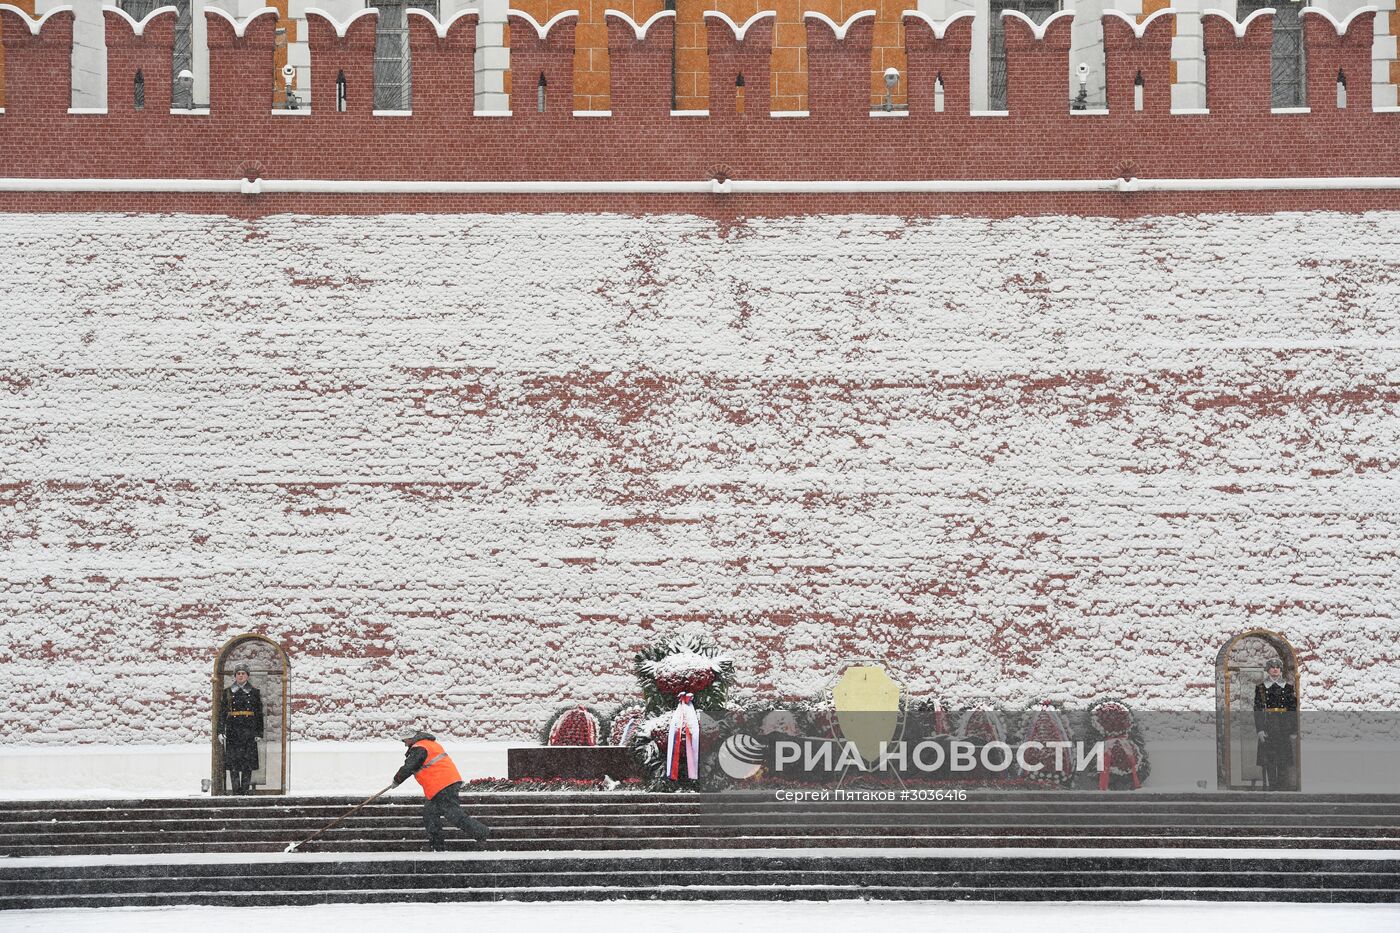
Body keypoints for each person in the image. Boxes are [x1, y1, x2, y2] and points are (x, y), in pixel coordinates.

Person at [393, 729, 491, 851]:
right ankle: (436, 845)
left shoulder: (420, 747)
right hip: (442, 784)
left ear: (411, 737)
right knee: (430, 815)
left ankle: (482, 833)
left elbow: (409, 766)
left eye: (404, 740)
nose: (404, 743)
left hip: (442, 784)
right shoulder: (427, 744)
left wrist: (397, 780)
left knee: (453, 814)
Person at [218, 662, 264, 795]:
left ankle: (244, 790)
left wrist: (259, 732)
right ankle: (235, 791)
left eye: (243, 673)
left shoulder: (254, 692)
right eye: (238, 673)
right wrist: (220, 731)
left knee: (247, 762)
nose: (240, 676)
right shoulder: (227, 692)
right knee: (233, 763)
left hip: (249, 730)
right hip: (233, 729)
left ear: (247, 676)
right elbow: (222, 713)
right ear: (235, 676)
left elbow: (259, 714)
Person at [1253, 658, 1298, 791]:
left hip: (1284, 726)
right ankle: (1272, 787)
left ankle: (1282, 788)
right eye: (1272, 667)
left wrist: (1294, 729)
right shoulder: (1261, 688)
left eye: (1277, 667)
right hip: (1268, 726)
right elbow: (1258, 710)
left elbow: (1292, 710)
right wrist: (1260, 729)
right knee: (1269, 760)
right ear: (1268, 670)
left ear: (1280, 670)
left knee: (1283, 759)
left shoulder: (1288, 688)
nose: (1275, 669)